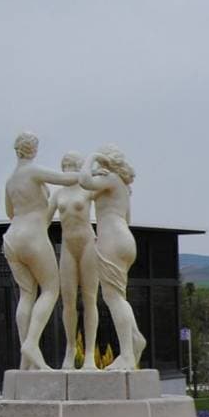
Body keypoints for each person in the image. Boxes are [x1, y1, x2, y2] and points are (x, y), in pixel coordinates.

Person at [3, 132, 84, 370]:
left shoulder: (10, 180)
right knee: (50, 289)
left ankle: (26, 361)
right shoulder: (34, 171)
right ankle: (30, 344)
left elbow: (9, 211)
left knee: (27, 294)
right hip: (33, 236)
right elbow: (67, 180)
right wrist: (91, 170)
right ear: (33, 150)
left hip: (11, 238)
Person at [78, 145, 146, 370]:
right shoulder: (122, 186)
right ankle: (135, 339)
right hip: (125, 239)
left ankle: (127, 354)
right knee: (118, 297)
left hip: (111, 239)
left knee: (113, 298)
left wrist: (91, 156)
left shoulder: (110, 179)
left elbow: (84, 182)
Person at [49, 151, 99, 370]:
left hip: (88, 244)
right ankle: (70, 349)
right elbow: (43, 219)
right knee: (68, 302)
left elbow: (108, 195)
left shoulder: (87, 189)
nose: (68, 167)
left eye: (72, 163)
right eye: (65, 163)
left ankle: (89, 354)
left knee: (89, 299)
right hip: (68, 247)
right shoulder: (58, 193)